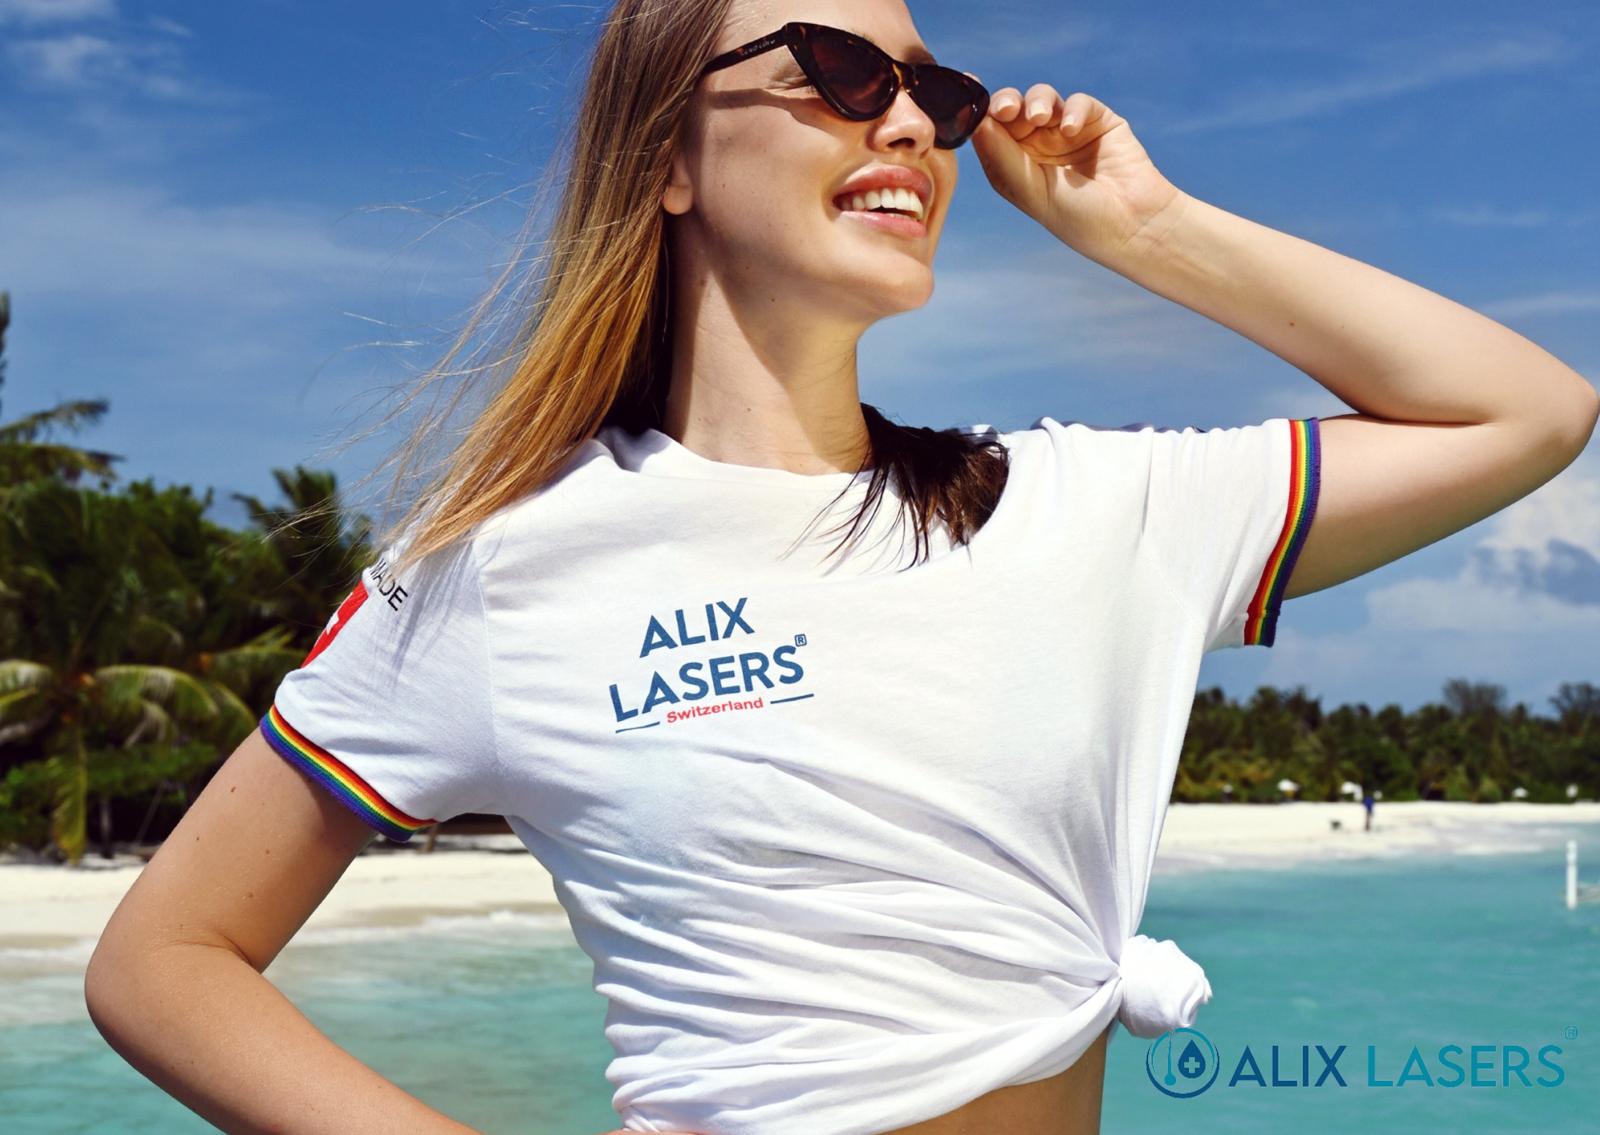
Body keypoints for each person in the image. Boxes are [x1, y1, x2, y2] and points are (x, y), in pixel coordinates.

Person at [84, 1, 1597, 1134]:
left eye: (934, 92)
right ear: (666, 155)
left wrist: (1152, 231)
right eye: (842, 73)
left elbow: (1531, 411)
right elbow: (167, 960)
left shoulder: (1077, 502)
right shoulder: (503, 563)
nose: (912, 127)